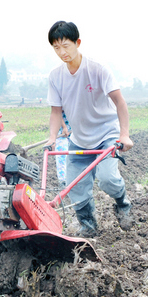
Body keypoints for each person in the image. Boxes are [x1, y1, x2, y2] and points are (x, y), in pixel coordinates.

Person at [46, 21, 134, 237]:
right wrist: (51, 137)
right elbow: (56, 111)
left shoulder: (97, 69)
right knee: (74, 185)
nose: (61, 52)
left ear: (78, 42)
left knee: (108, 179)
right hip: (79, 140)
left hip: (106, 136)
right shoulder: (55, 76)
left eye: (65, 45)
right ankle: (88, 226)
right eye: (56, 48)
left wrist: (124, 135)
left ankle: (122, 203)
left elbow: (119, 102)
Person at [56, 110, 72, 188]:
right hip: (62, 131)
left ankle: (75, 180)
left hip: (76, 130)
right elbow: (57, 112)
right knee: (62, 155)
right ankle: (63, 181)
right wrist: (64, 127)